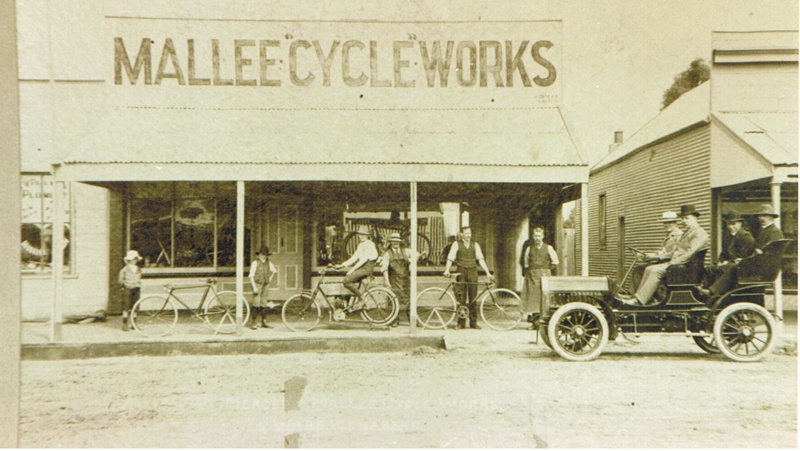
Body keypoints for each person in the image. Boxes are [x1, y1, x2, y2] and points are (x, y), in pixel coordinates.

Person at [620, 205, 709, 306]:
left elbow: (689, 253)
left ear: (695, 218)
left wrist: (672, 263)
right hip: (680, 264)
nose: (684, 221)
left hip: (687, 268)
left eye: (687, 218)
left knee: (655, 270)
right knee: (649, 269)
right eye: (683, 218)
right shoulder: (688, 233)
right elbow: (676, 252)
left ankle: (639, 300)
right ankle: (639, 298)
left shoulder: (700, 233)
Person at [701, 204, 784, 297]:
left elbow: (768, 255)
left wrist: (745, 260)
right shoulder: (766, 231)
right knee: (722, 268)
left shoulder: (774, 232)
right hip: (757, 265)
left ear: (772, 217)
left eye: (764, 215)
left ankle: (712, 292)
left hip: (762, 269)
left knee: (732, 268)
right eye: (760, 215)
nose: (761, 218)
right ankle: (711, 292)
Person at [443, 226, 494, 329]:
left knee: (473, 297)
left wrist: (487, 272)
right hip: (461, 271)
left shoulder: (475, 245)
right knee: (461, 297)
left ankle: (473, 322)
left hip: (472, 272)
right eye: (466, 234)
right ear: (461, 234)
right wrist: (447, 269)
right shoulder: (456, 244)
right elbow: (450, 257)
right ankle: (460, 323)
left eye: (470, 233)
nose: (468, 236)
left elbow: (480, 259)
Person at [631, 211, 683, 289]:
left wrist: (657, 257)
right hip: (662, 262)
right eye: (665, 223)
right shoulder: (668, 235)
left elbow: (674, 254)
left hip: (671, 265)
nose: (666, 225)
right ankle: (633, 294)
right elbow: (661, 252)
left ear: (675, 223)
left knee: (643, 270)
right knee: (638, 269)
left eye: (669, 223)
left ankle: (642, 296)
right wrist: (646, 255)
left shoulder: (679, 236)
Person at [520, 227, 559, 327]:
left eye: (539, 236)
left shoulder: (548, 248)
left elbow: (555, 262)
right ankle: (534, 323)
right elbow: (526, 263)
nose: (537, 238)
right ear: (533, 237)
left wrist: (546, 271)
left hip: (544, 276)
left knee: (544, 298)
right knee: (533, 299)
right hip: (532, 276)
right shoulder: (529, 248)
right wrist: (531, 271)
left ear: (542, 236)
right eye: (535, 236)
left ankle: (543, 322)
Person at [703, 213, 755, 287]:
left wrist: (727, 262)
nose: (730, 227)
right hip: (730, 263)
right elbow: (724, 253)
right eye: (728, 224)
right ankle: (706, 288)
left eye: (733, 224)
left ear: (740, 224)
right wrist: (720, 261)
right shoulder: (728, 236)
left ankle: (713, 291)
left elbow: (743, 254)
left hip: (741, 264)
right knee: (709, 268)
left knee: (723, 268)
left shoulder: (745, 236)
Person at [335, 224, 378, 312]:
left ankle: (362, 298)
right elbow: (354, 257)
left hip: (366, 268)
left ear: (367, 236)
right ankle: (347, 305)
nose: (361, 236)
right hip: (362, 267)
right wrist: (342, 265)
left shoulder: (369, 244)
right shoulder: (361, 245)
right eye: (360, 234)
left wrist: (352, 269)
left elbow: (363, 260)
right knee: (348, 282)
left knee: (346, 281)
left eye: (363, 235)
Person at [381, 233, 414, 327]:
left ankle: (412, 320)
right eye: (393, 241)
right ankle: (395, 320)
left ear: (400, 242)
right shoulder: (387, 254)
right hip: (394, 280)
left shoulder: (406, 251)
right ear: (391, 243)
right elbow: (384, 269)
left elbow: (417, 255)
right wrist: (387, 282)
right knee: (394, 300)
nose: (395, 243)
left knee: (409, 300)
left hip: (405, 280)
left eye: (397, 241)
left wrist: (414, 260)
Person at [248, 246, 278, 329]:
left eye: (265, 254)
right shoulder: (255, 263)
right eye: (262, 254)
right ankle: (253, 322)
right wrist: (254, 287)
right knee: (256, 303)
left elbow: (274, 271)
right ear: (259, 254)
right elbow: (251, 276)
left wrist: (270, 279)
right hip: (257, 284)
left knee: (264, 303)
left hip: (265, 284)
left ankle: (264, 321)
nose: (263, 256)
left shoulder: (268, 262)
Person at [118, 250, 143, 331]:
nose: (134, 261)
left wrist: (138, 284)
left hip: (136, 289)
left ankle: (134, 323)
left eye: (136, 259)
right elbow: (120, 280)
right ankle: (125, 324)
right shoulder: (124, 269)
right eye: (133, 259)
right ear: (129, 260)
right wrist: (124, 285)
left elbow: (139, 278)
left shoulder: (138, 269)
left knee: (135, 307)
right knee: (126, 307)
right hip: (127, 289)